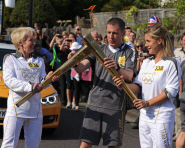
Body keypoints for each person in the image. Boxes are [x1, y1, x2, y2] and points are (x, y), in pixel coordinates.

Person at [69, 18, 135, 148]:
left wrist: (117, 68)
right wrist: (74, 61)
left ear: (123, 34)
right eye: (109, 32)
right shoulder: (98, 49)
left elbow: (130, 76)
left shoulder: (129, 52)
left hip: (115, 105)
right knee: (85, 143)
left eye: (115, 33)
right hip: (94, 102)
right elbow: (80, 68)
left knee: (113, 145)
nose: (111, 36)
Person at [113, 23, 181, 148]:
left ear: (159, 40)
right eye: (145, 41)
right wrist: (123, 85)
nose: (146, 45)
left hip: (162, 117)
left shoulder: (172, 62)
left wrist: (147, 103)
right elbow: (138, 86)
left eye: (148, 41)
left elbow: (170, 92)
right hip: (145, 116)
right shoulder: (147, 63)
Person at [1, 27, 59, 148]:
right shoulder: (10, 59)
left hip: (35, 112)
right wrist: (30, 86)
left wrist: (48, 79)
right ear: (20, 43)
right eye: (31, 40)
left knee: (32, 146)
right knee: (9, 145)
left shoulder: (39, 61)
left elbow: (42, 81)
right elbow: (9, 81)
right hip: (16, 110)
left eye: (34, 40)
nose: (35, 43)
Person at [49, 33, 72, 106]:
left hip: (67, 67)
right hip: (60, 68)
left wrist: (67, 41)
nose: (60, 40)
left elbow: (67, 48)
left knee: (68, 83)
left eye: (60, 39)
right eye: (58, 39)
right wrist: (54, 37)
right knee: (62, 84)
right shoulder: (56, 48)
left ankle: (69, 100)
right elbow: (51, 46)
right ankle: (63, 100)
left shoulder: (66, 47)